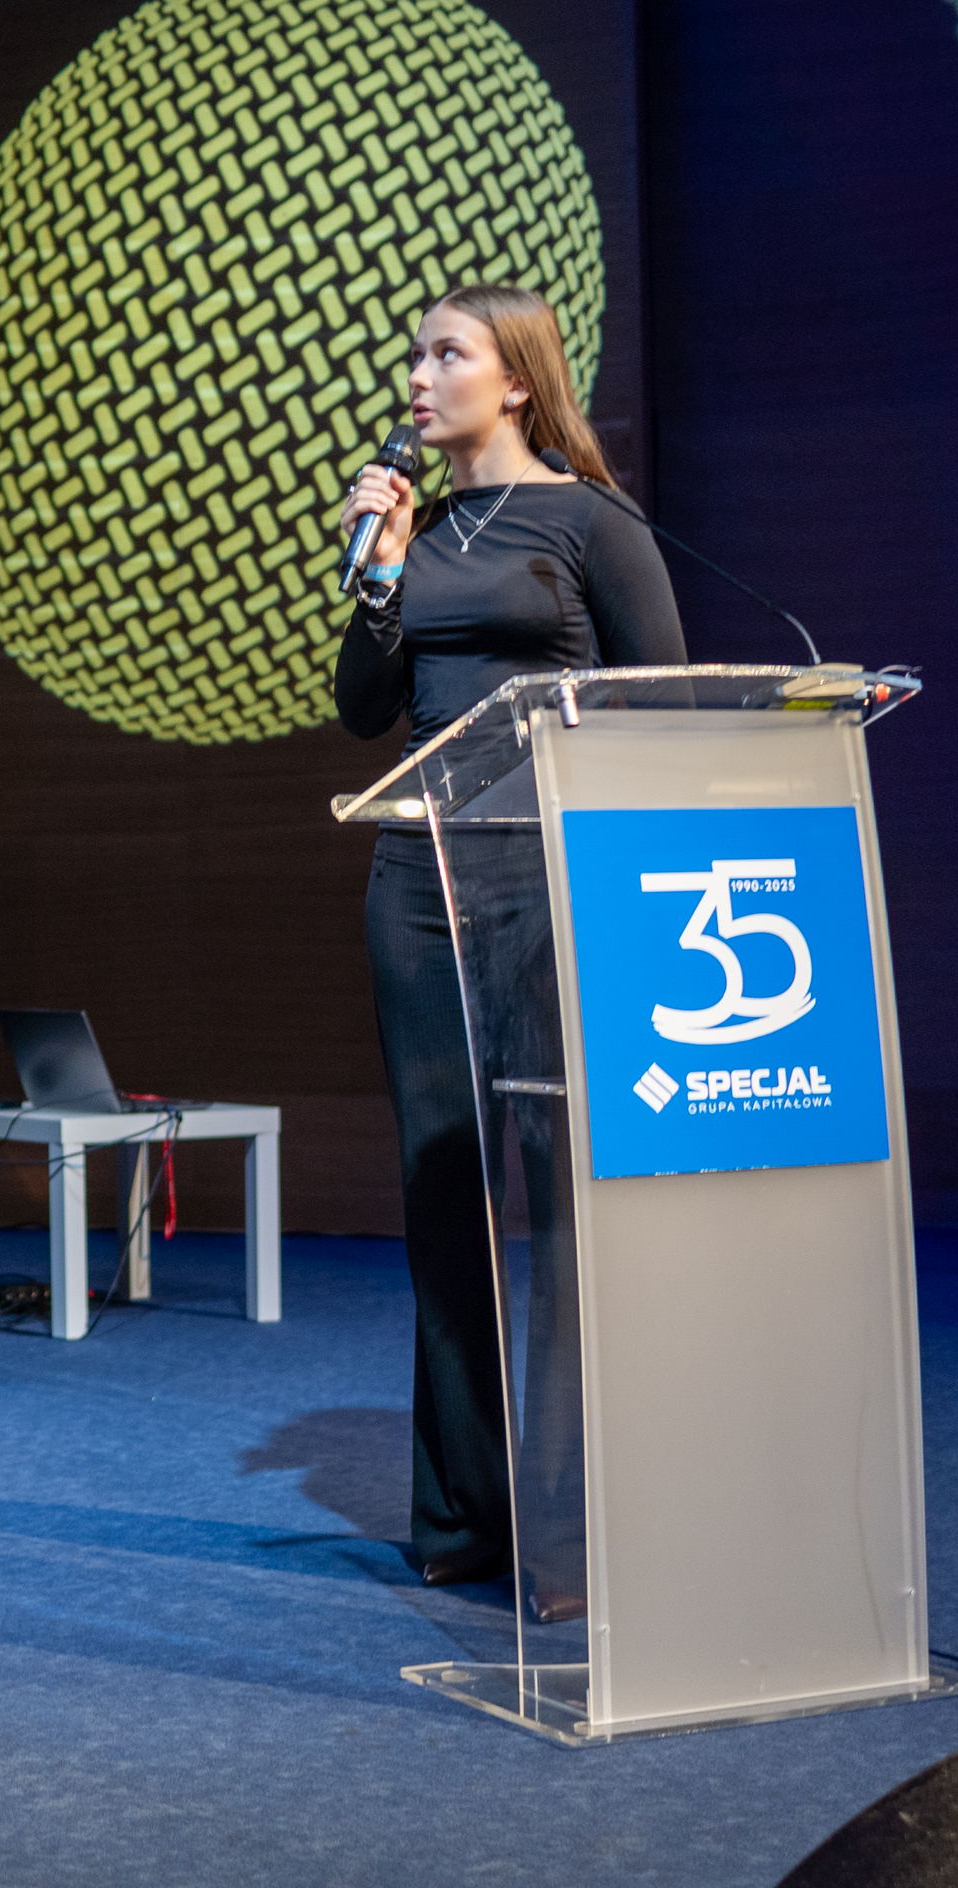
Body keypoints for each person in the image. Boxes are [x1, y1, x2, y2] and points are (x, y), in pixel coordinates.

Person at [333, 284, 686, 1595]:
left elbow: (663, 704)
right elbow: (363, 709)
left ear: (518, 380)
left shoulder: (593, 521)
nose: (418, 378)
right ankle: (464, 1519)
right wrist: (378, 570)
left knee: (567, 1191)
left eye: (447, 354)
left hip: (554, 877)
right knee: (444, 1193)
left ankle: (580, 1521)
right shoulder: (412, 528)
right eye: (415, 355)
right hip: (420, 877)